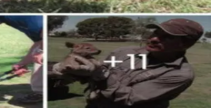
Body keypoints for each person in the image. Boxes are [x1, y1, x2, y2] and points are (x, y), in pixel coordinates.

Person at [51, 18, 204, 108]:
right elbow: (99, 70)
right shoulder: (124, 52)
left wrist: (101, 74)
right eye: (156, 33)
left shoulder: (179, 74)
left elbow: (129, 99)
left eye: (167, 37)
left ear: (184, 44)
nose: (154, 39)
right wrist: (74, 71)